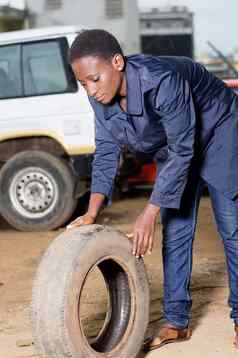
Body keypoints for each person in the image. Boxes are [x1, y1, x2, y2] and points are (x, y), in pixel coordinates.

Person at [67, 29, 238, 350]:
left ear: (117, 62)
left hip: (218, 131)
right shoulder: (101, 96)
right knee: (175, 229)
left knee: (232, 227)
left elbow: (183, 150)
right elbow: (105, 150)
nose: (91, 90)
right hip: (177, 144)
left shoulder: (161, 79)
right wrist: (91, 212)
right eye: (83, 84)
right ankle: (176, 321)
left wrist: (148, 212)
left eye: (94, 79)